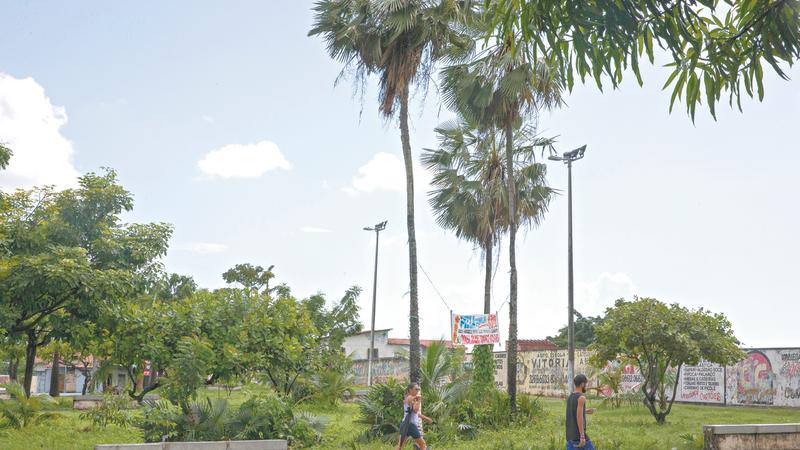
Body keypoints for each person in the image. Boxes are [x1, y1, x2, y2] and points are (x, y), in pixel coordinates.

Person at [396, 383, 432, 450]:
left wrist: (426, 418)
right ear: (410, 390)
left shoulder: (412, 398)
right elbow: (415, 410)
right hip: (410, 425)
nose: (418, 391)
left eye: (418, 389)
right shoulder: (410, 397)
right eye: (416, 389)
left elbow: (415, 413)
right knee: (423, 444)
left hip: (405, 424)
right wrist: (419, 400)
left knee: (400, 446)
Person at [566, 374, 596, 450]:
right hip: (578, 437)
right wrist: (582, 437)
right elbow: (579, 417)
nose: (586, 386)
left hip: (569, 436)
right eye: (585, 384)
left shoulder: (571, 396)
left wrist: (585, 411)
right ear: (582, 384)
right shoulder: (581, 397)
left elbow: (573, 411)